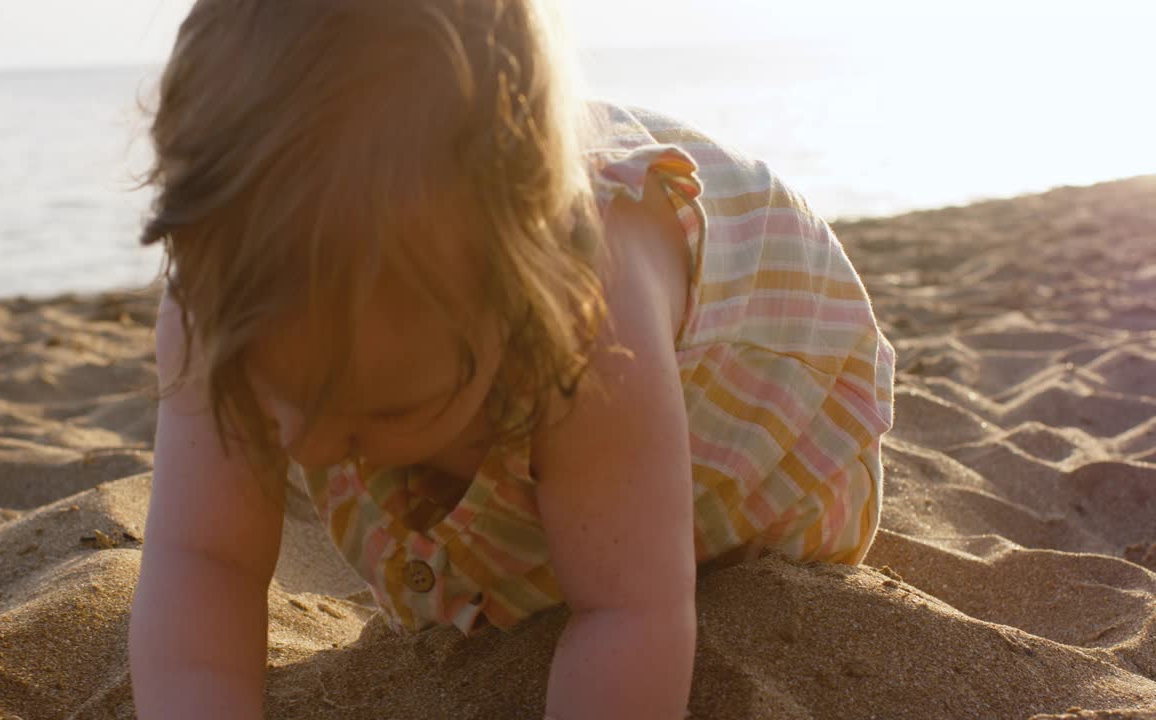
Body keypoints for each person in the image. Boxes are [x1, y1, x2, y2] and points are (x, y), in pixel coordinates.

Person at [127, 1, 896, 718]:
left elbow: (630, 617)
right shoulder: (222, 301)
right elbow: (203, 562)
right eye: (273, 392)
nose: (310, 447)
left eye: (382, 406)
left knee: (618, 563)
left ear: (514, 282)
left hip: (750, 458)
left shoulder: (591, 304)